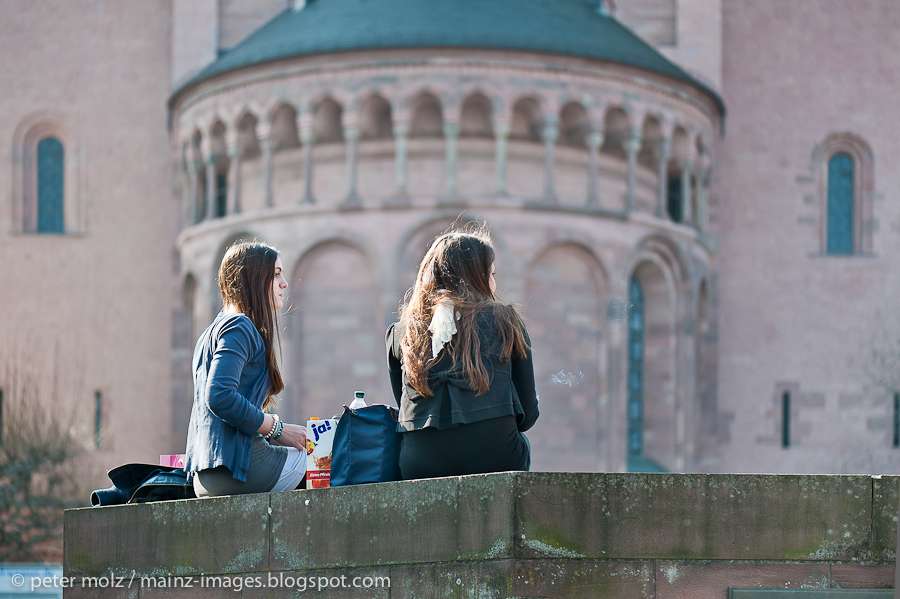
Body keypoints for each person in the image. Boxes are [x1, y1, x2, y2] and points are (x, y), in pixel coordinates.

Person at [386, 227, 539, 479]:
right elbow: (528, 416)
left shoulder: (400, 332)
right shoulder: (505, 320)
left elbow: (408, 409)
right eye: (491, 273)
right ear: (477, 276)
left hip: (419, 464)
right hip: (498, 458)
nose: (493, 282)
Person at [184, 241, 307, 496]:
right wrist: (278, 429)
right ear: (252, 279)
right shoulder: (240, 327)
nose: (284, 283)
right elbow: (219, 396)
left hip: (207, 475)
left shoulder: (213, 330)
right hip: (240, 471)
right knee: (330, 464)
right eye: (275, 275)